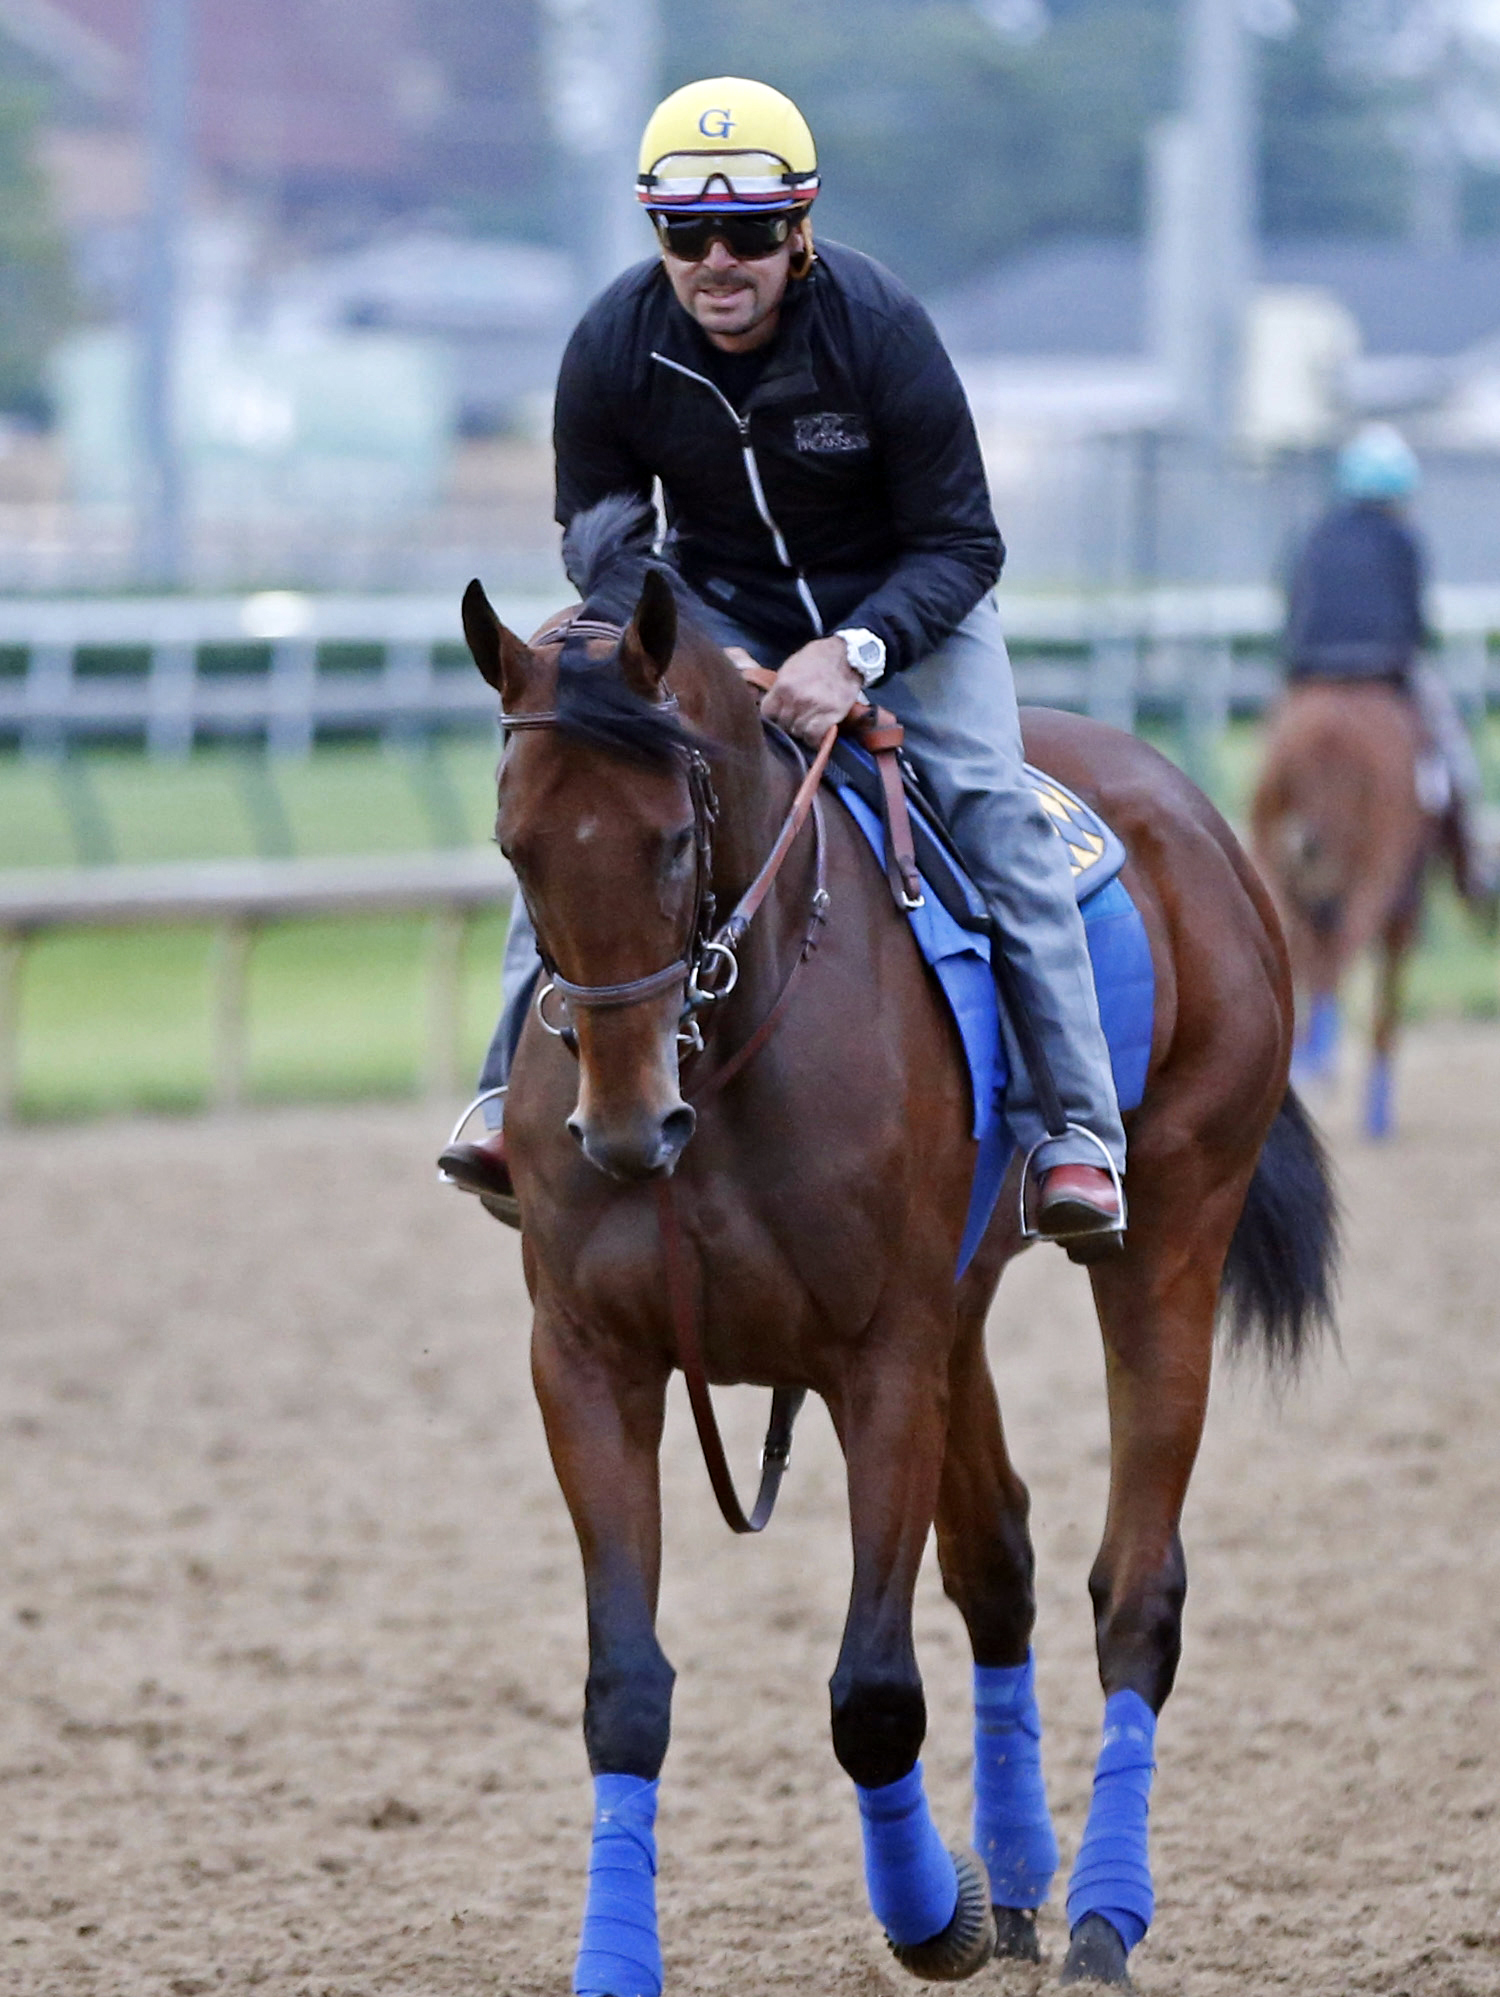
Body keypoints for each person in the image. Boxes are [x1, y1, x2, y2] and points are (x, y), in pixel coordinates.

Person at [440, 75, 1126, 1240]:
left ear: (797, 228)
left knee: (998, 819)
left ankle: (1077, 1134)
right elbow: (603, 547)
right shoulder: (612, 342)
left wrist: (854, 653)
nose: (718, 260)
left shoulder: (879, 327)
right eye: (685, 233)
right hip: (719, 620)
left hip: (910, 615)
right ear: (656, 232)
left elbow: (965, 541)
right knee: (579, 811)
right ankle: (510, 1095)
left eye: (750, 232)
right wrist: (702, 661)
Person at [1284, 422, 1491, 906]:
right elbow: (1415, 622)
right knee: (1449, 749)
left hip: (1310, 675)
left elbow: (1293, 609)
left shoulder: (1316, 534)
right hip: (1384, 673)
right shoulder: (1403, 538)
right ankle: (1470, 863)